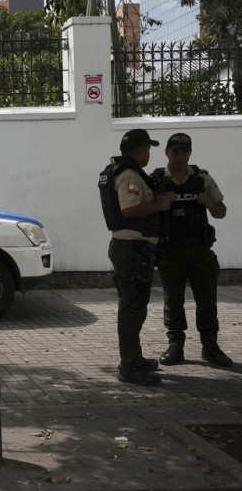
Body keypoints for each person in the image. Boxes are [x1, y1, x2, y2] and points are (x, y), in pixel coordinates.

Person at [98, 129, 177, 386]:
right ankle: (129, 367)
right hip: (133, 250)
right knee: (132, 309)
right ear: (141, 150)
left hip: (132, 249)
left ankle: (135, 358)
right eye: (148, 150)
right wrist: (161, 205)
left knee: (135, 307)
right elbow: (130, 208)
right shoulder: (130, 175)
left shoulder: (123, 171)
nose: (149, 154)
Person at [151, 133, 231, 367]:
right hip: (170, 253)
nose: (180, 155)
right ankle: (175, 346)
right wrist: (160, 202)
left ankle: (210, 346)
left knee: (207, 300)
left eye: (184, 151)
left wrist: (207, 202)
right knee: (173, 301)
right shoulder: (156, 180)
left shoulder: (201, 179)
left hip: (199, 251)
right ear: (166, 152)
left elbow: (221, 211)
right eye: (175, 151)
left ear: (190, 153)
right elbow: (143, 211)